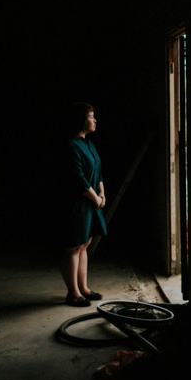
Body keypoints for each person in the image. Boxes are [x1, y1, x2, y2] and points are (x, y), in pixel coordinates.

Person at [60, 102, 107, 307]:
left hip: (91, 202)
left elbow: (97, 171)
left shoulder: (89, 144)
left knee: (85, 244)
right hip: (78, 203)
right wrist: (94, 197)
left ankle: (84, 288)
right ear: (81, 119)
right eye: (91, 116)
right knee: (73, 246)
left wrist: (102, 191)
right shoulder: (72, 145)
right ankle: (73, 292)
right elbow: (77, 178)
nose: (95, 120)